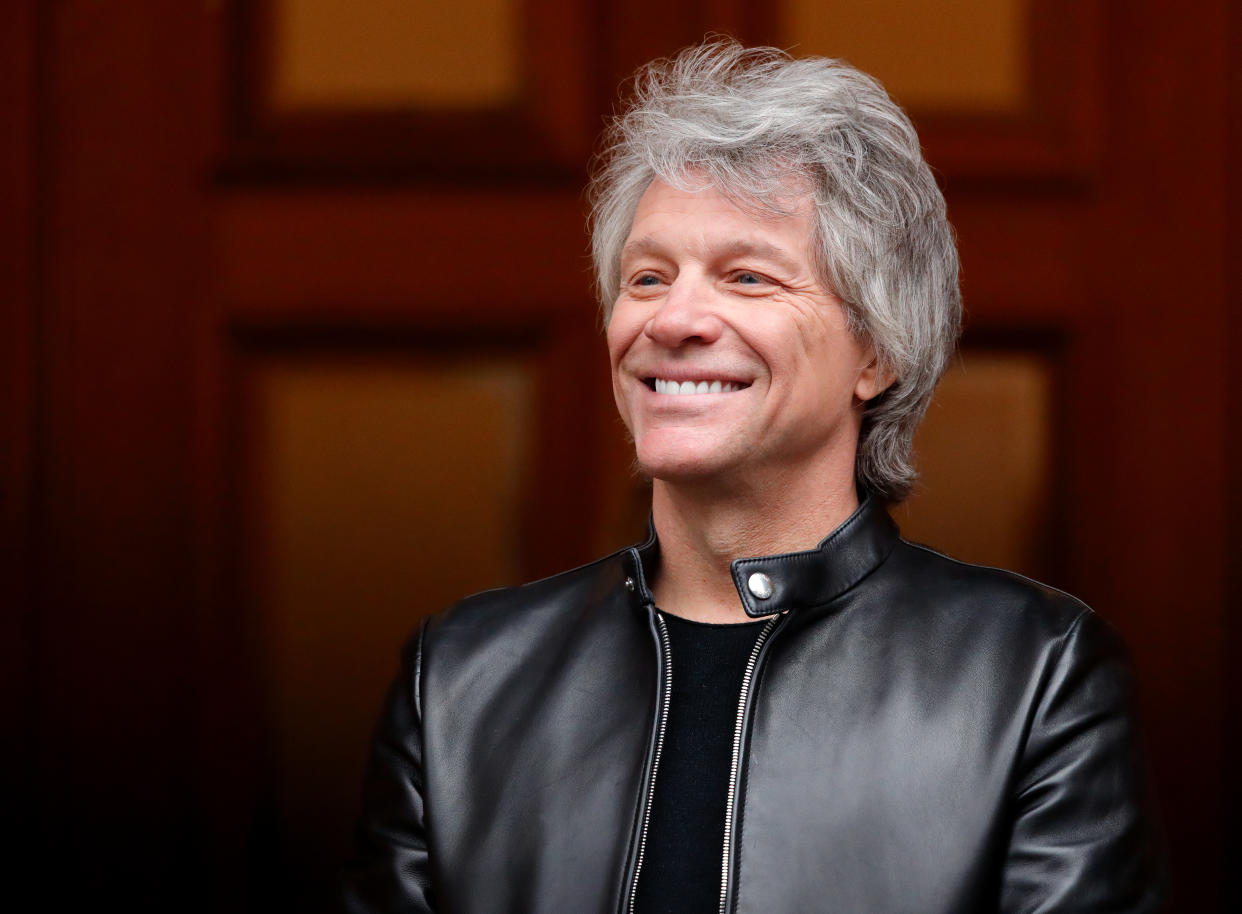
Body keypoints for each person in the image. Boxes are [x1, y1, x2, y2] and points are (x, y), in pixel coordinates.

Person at [340, 40, 1164, 914]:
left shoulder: (1035, 678)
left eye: (748, 277)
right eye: (648, 276)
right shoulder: (459, 679)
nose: (676, 318)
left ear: (877, 351)